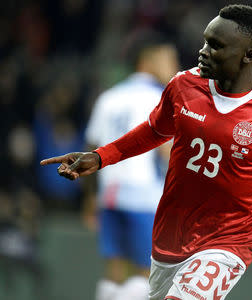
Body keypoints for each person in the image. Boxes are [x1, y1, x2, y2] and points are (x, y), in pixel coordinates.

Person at [41, 4, 252, 300]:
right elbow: (155, 131)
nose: (203, 52)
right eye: (205, 41)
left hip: (229, 241)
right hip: (169, 238)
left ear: (248, 55)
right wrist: (100, 157)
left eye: (217, 46)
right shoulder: (184, 86)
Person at [82, 32, 179, 300]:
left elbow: (91, 150)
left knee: (114, 271)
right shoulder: (160, 98)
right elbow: (168, 152)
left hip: (109, 194)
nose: (174, 66)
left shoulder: (109, 97)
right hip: (144, 196)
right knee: (145, 273)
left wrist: (90, 199)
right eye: (168, 58)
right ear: (148, 60)